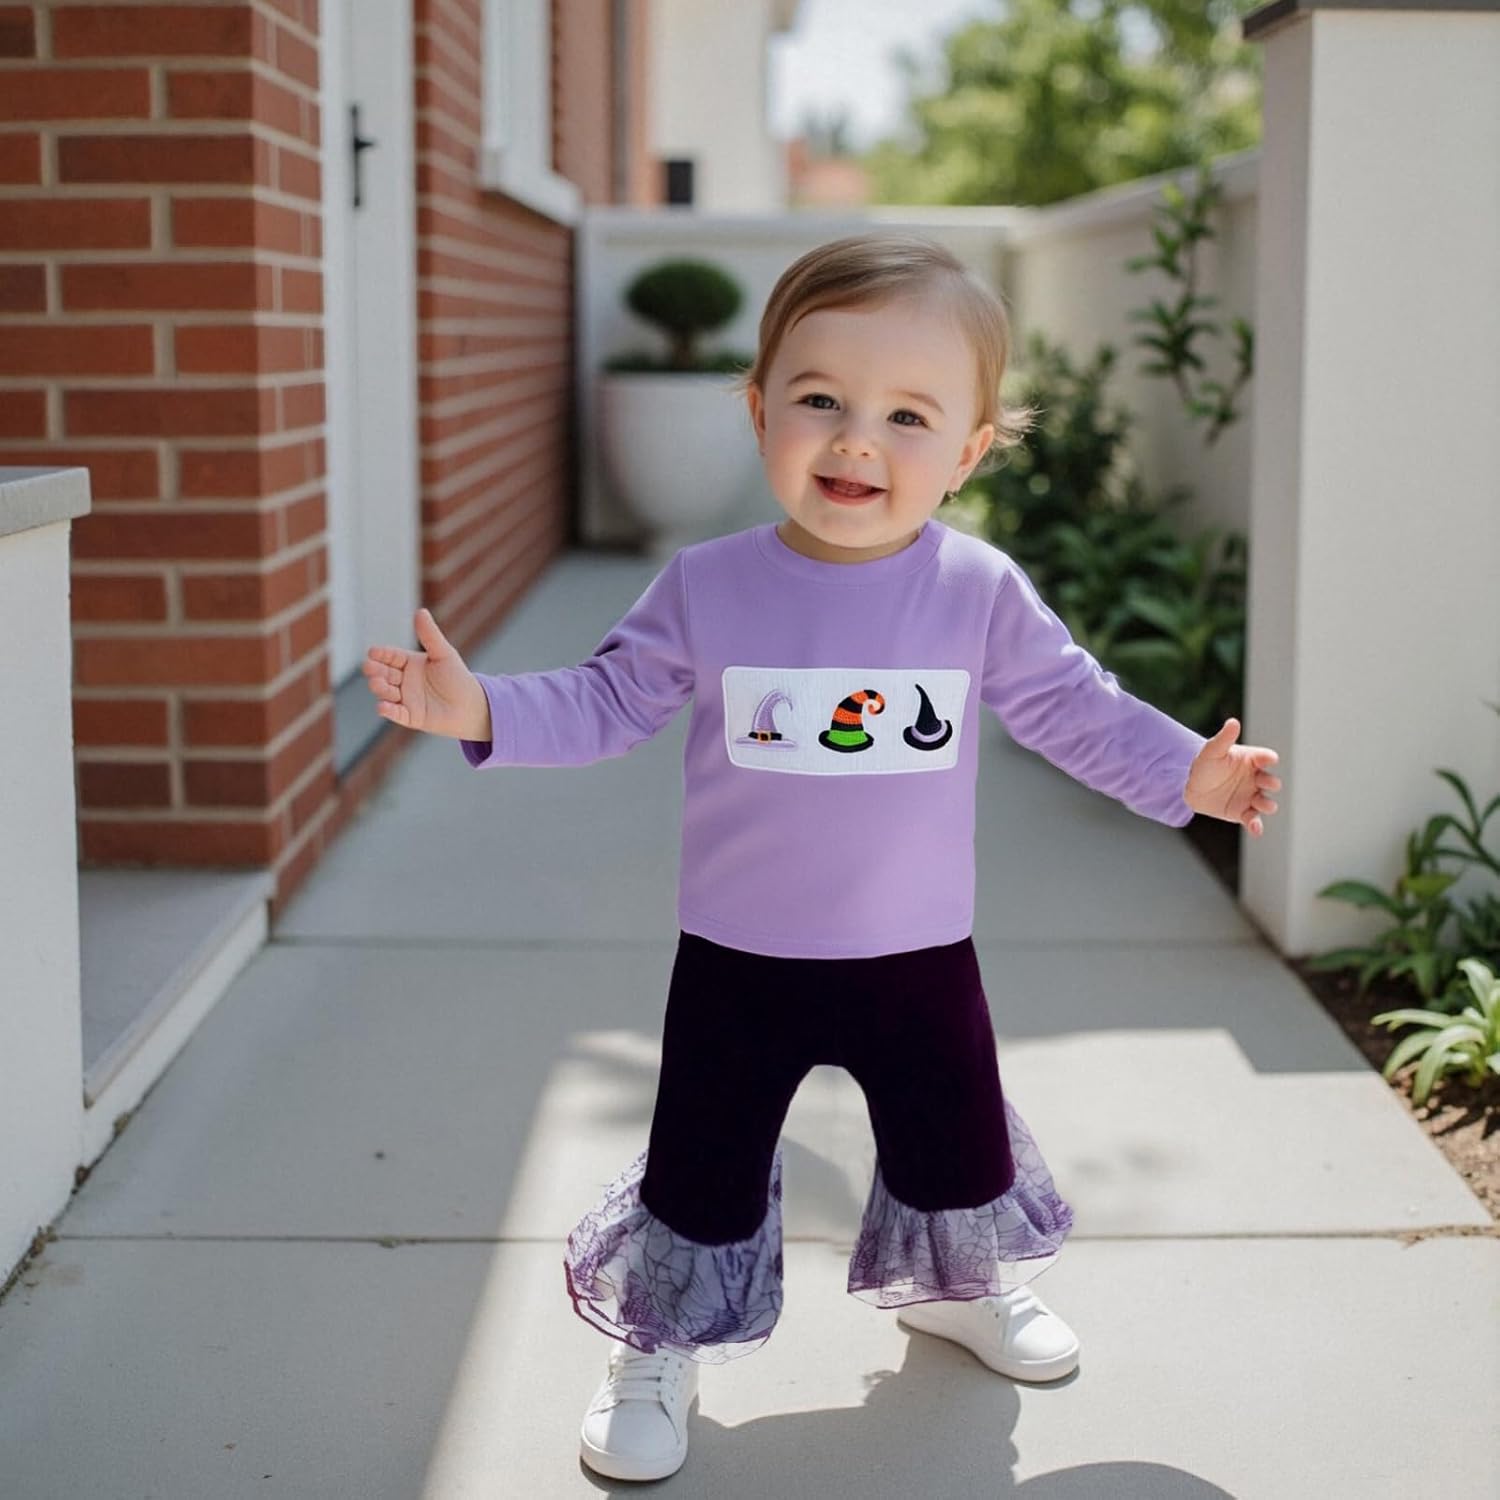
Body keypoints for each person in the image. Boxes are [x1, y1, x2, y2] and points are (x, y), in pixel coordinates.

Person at [362, 232, 1283, 1484]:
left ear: (965, 452)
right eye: (820, 400)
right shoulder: (708, 587)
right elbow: (607, 702)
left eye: (908, 415)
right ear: (758, 412)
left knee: (955, 1142)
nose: (857, 440)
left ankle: (955, 1292)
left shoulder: (976, 591)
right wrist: (481, 711)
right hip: (741, 955)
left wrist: (1189, 773)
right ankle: (659, 1339)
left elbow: (1076, 706)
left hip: (917, 949)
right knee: (704, 1161)